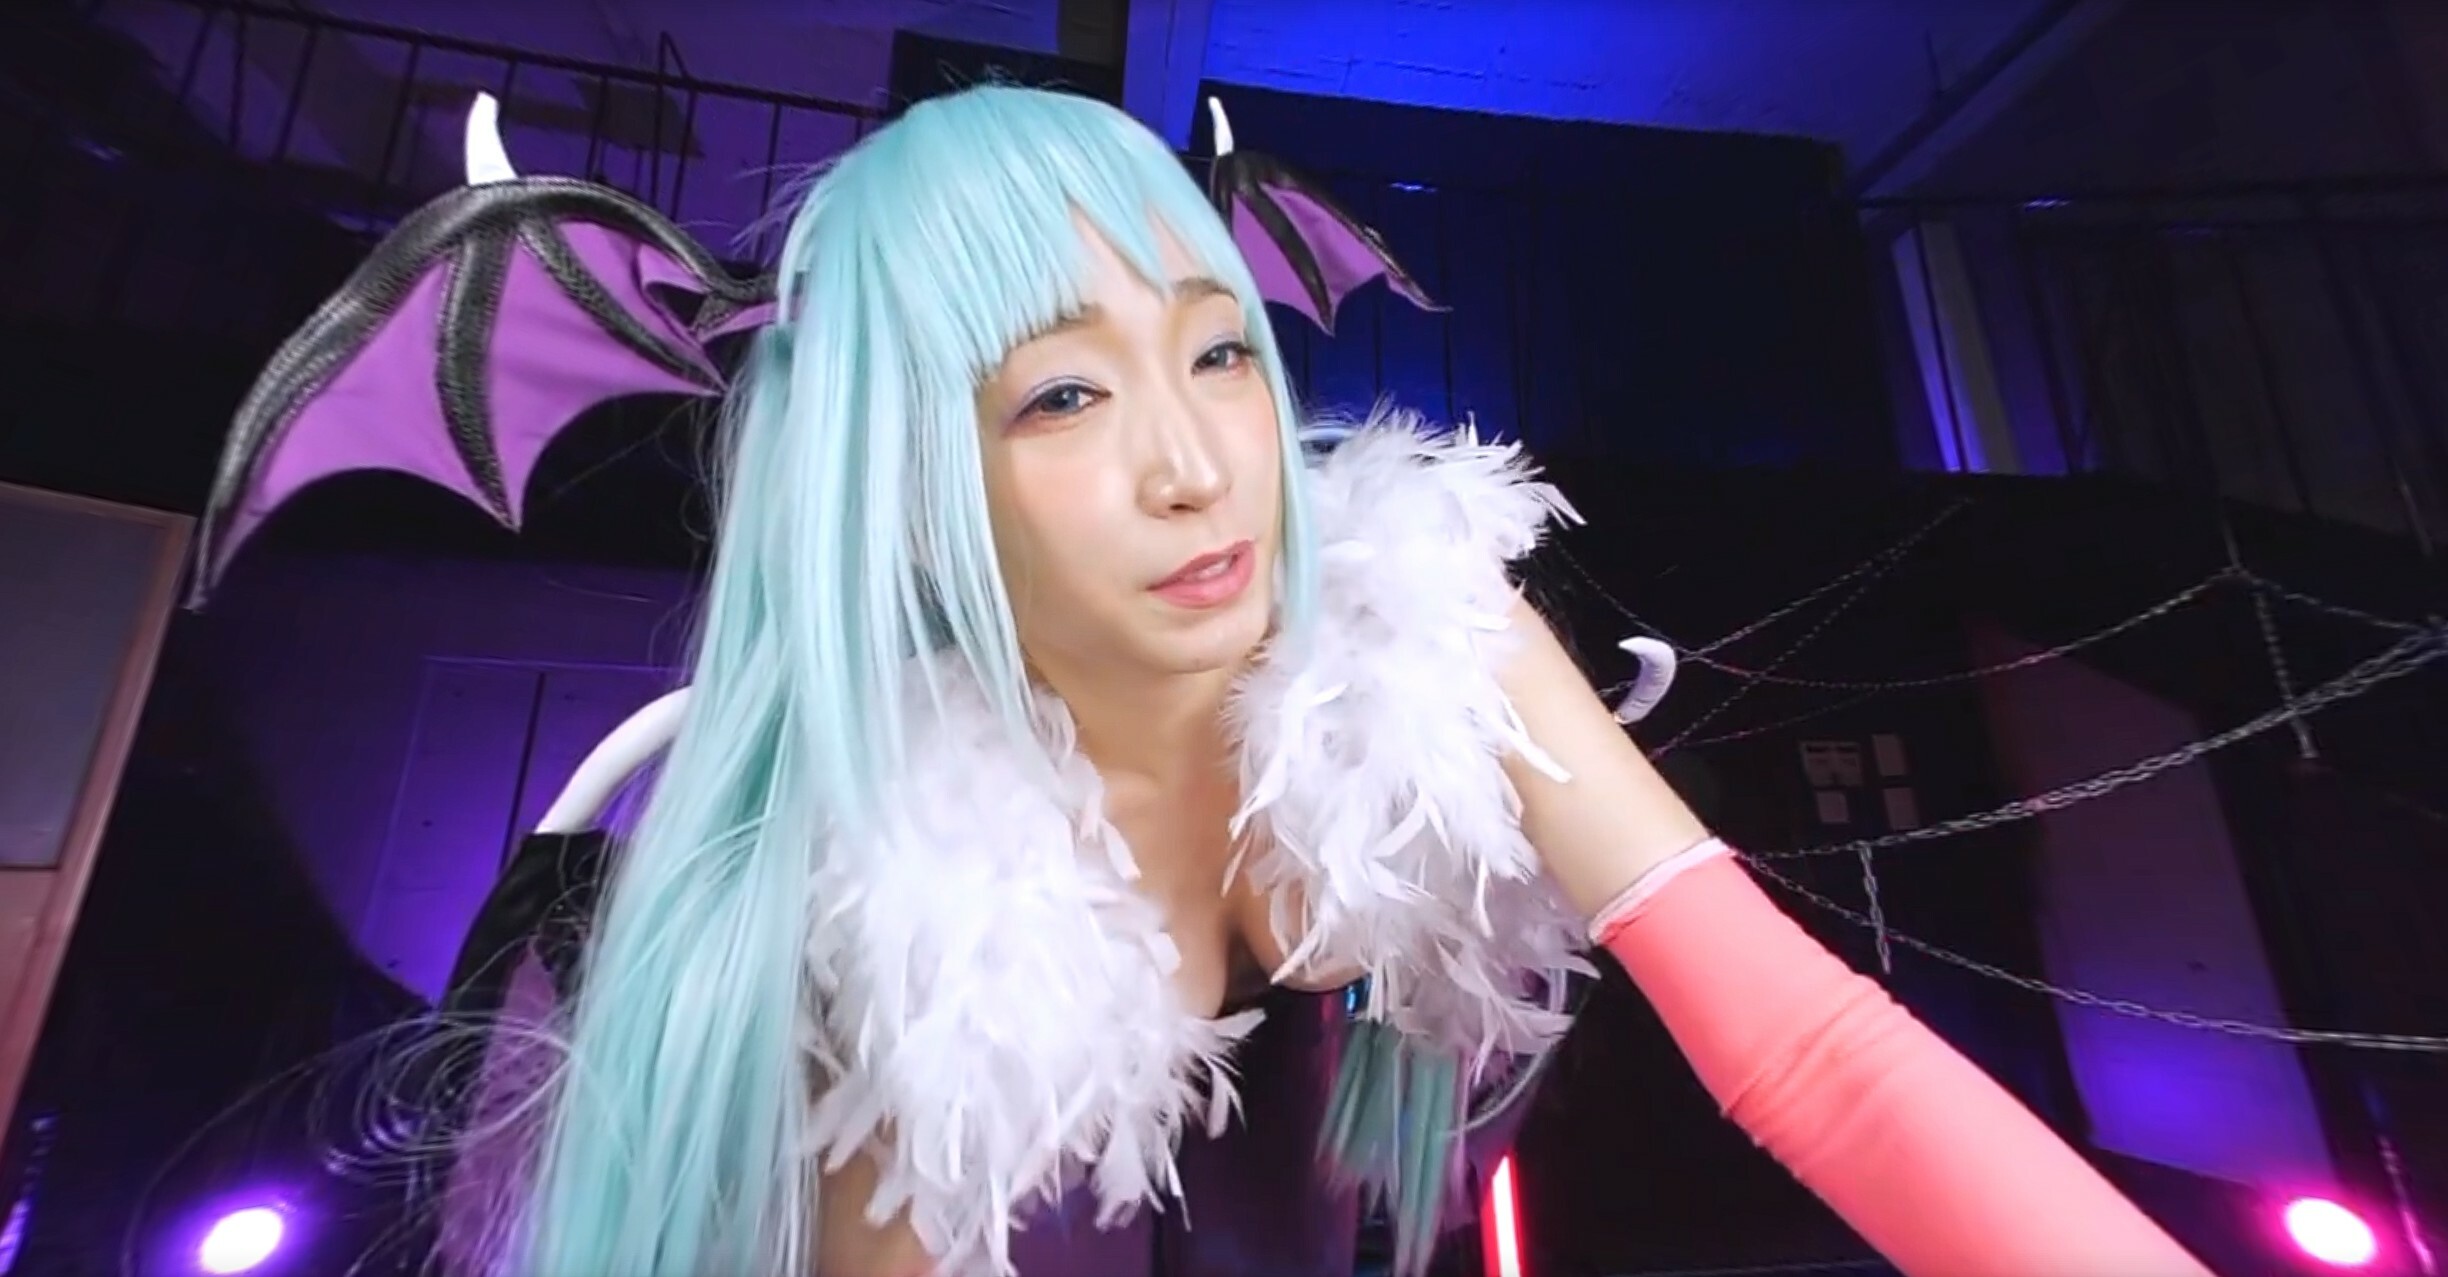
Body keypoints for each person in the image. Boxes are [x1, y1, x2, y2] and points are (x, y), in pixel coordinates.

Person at [189, 82, 2215, 1277]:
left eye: (1219, 348)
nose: (1195, 463)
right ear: (905, 482)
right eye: (1063, 394)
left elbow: (1818, 1057)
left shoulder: (1430, 630)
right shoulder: (872, 912)